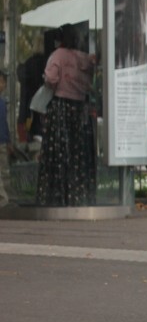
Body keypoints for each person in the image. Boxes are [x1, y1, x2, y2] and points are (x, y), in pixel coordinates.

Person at [36, 24, 97, 207]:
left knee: (59, 153)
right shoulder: (84, 58)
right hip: (79, 109)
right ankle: (77, 195)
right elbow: (89, 81)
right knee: (77, 154)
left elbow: (51, 78)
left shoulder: (57, 56)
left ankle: (57, 196)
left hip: (61, 107)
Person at [0, 70, 13, 207]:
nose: (2, 85)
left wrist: (8, 140)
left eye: (3, 82)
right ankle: (3, 200)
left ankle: (7, 198)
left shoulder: (3, 103)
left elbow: (5, 123)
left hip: (2, 141)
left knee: (4, 170)